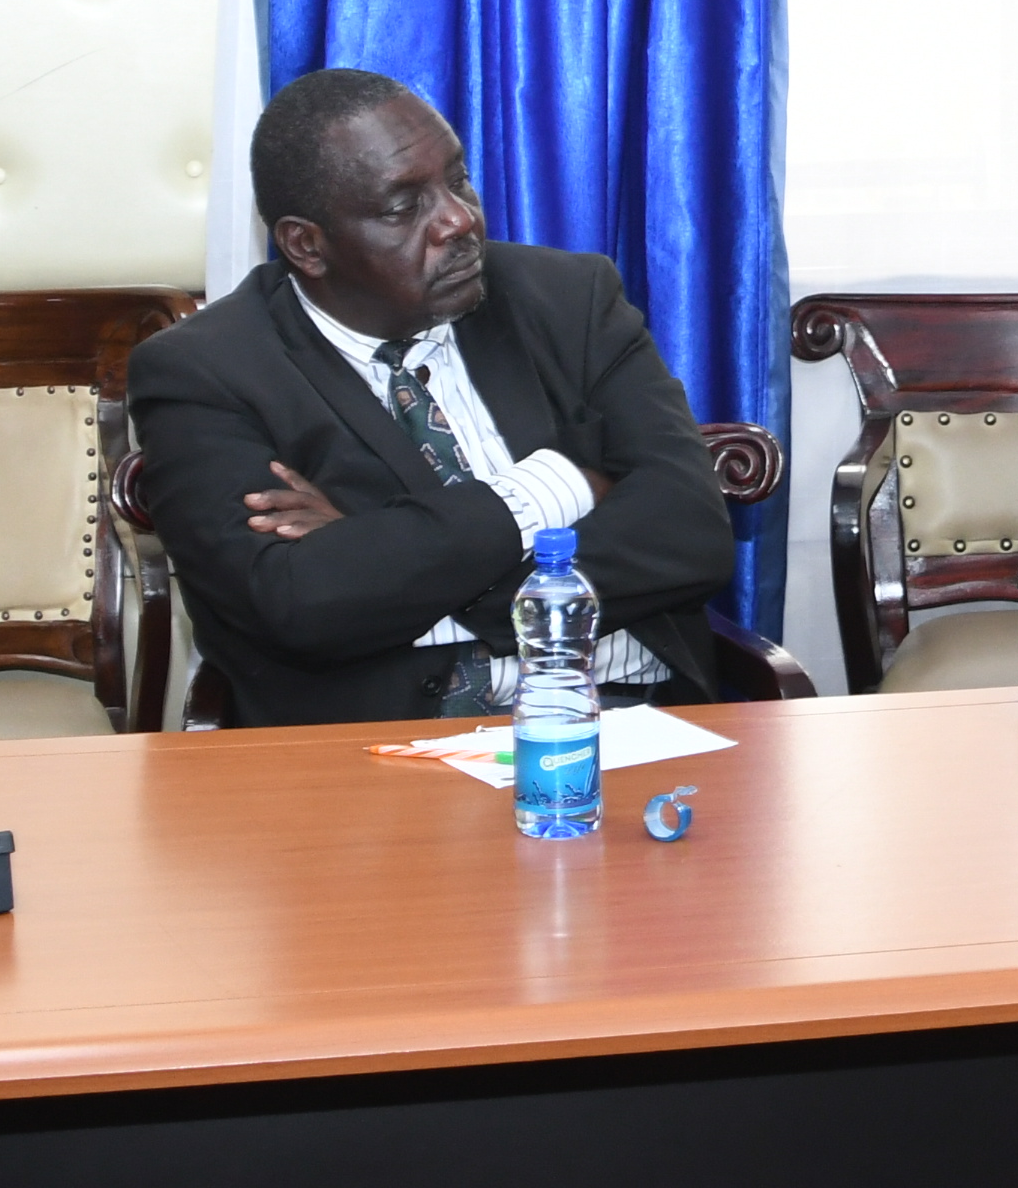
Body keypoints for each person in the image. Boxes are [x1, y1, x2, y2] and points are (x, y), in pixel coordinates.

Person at [128, 69, 734, 727]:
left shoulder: (568, 299)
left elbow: (691, 534)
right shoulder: (206, 371)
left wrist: (389, 566)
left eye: (459, 178)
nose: (459, 219)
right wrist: (557, 485)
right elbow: (301, 604)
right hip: (387, 761)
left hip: (632, 722)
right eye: (403, 206)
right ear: (307, 245)